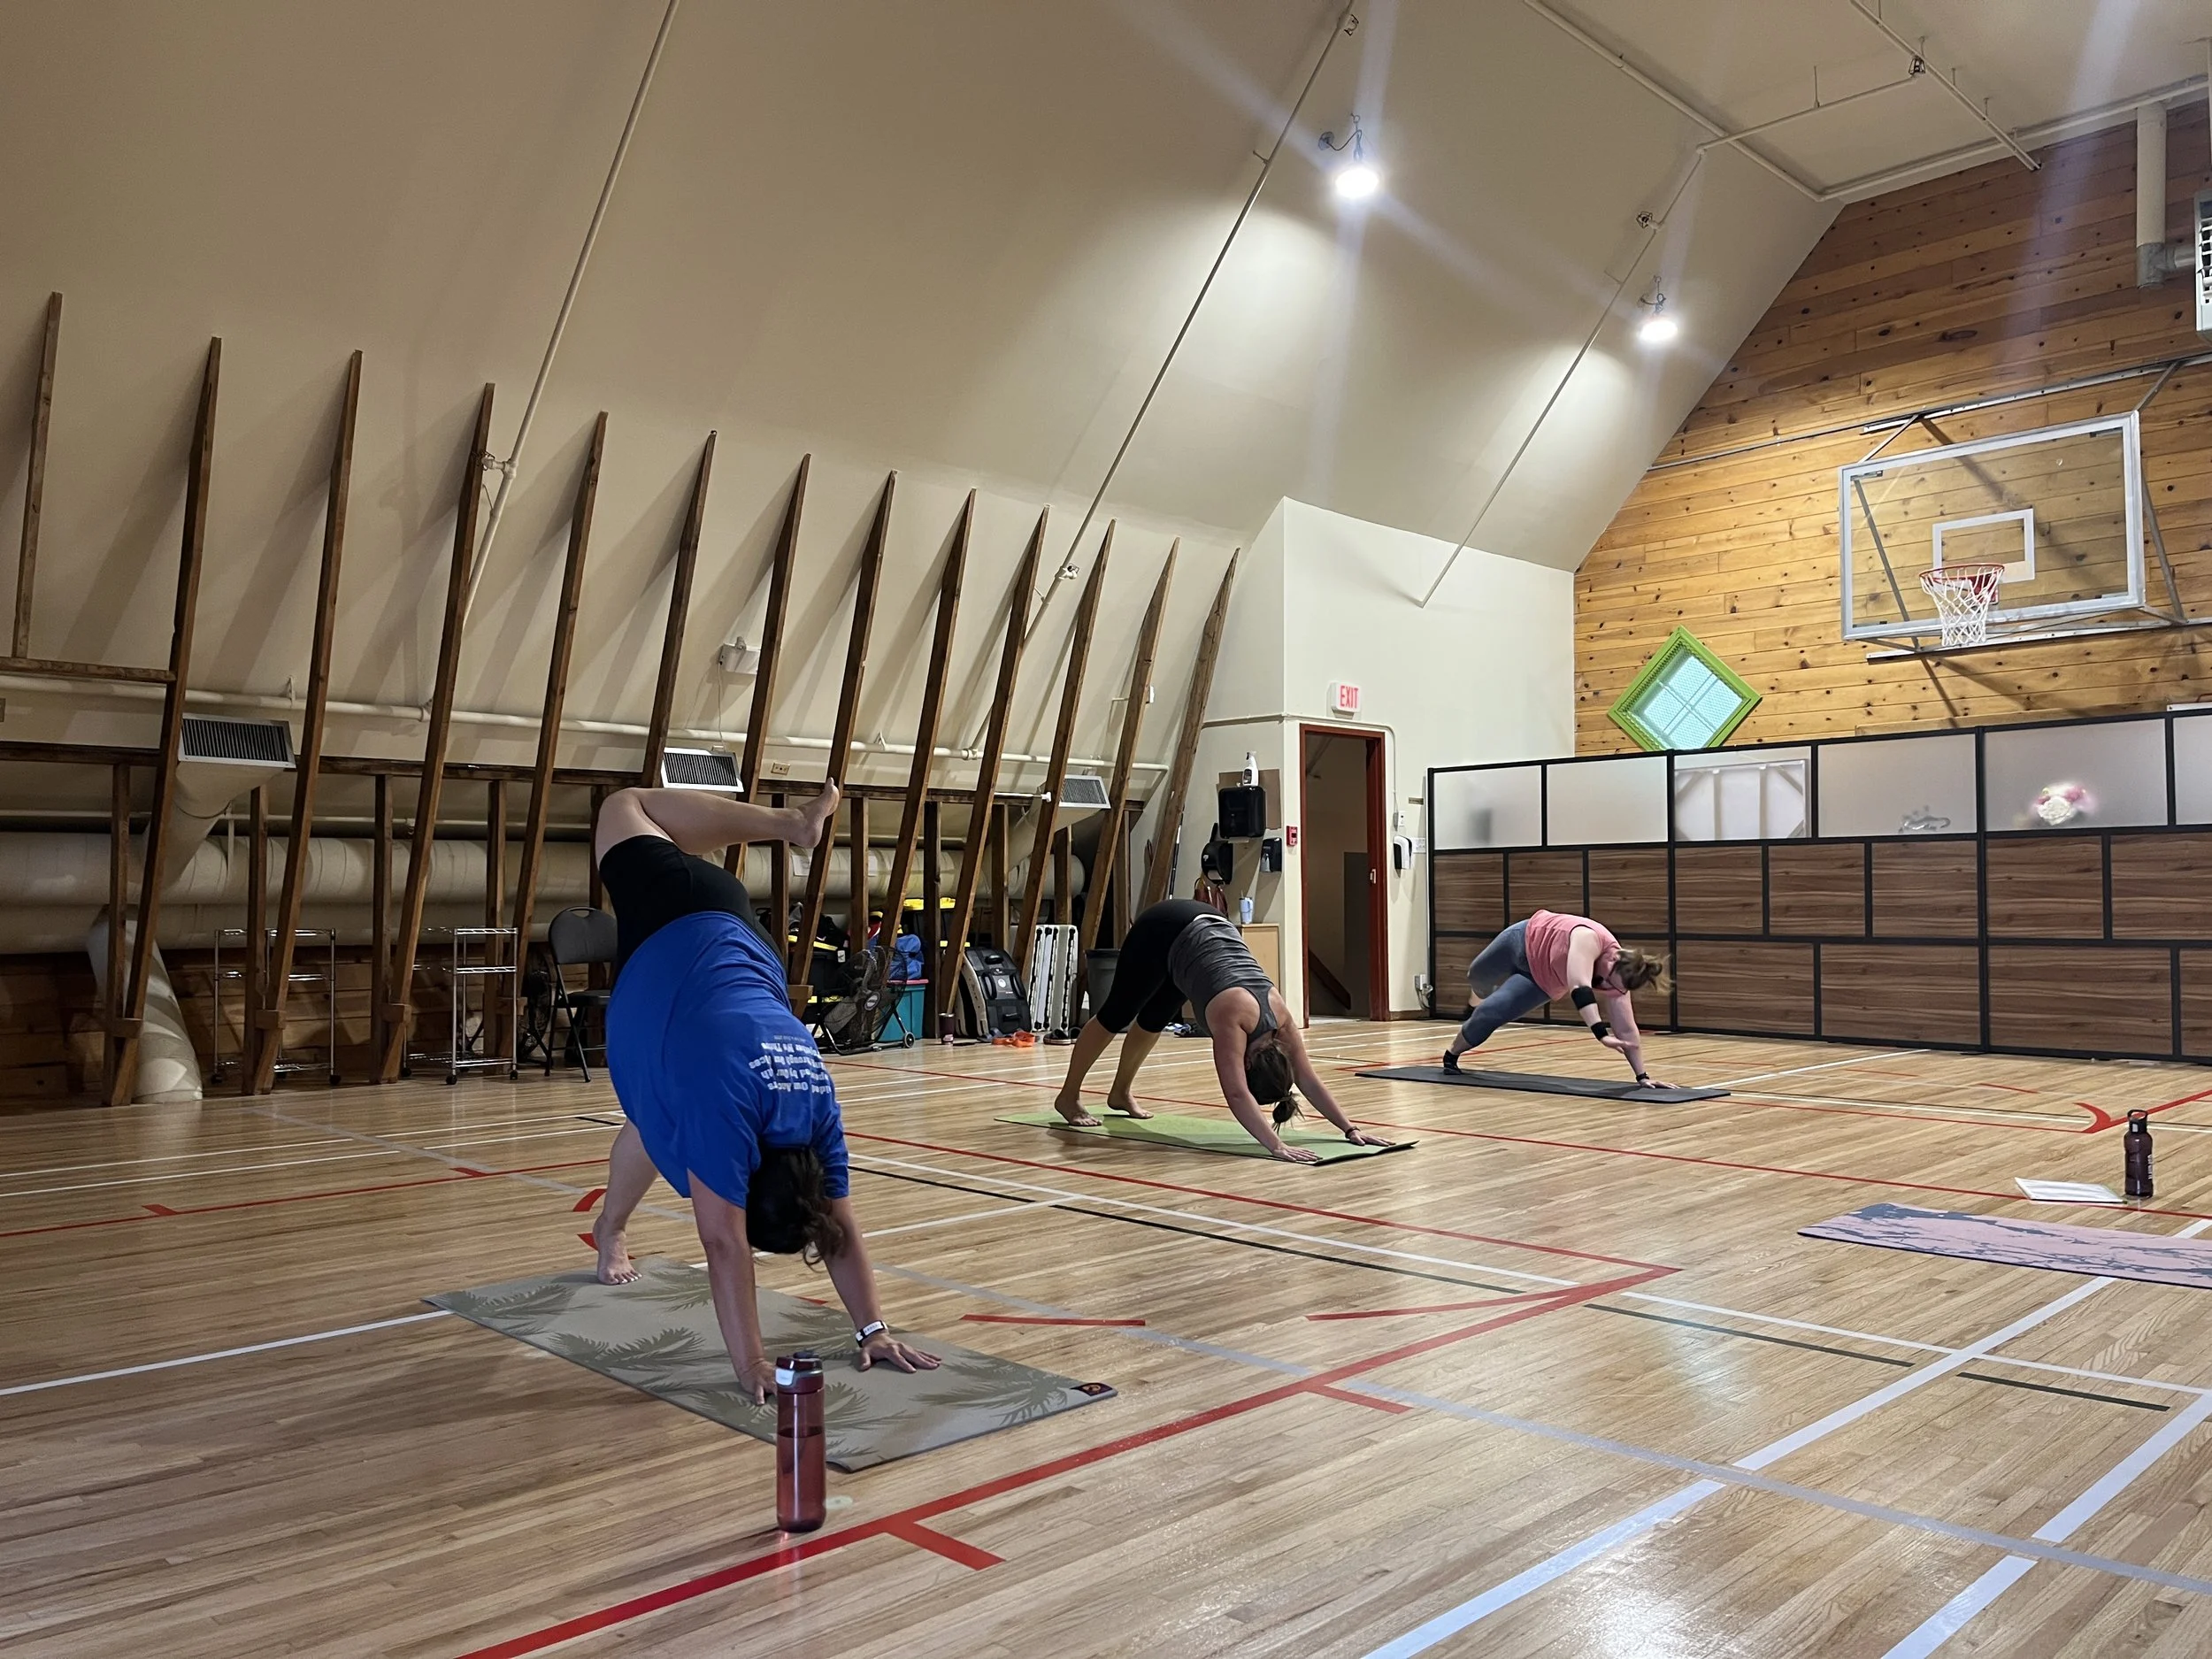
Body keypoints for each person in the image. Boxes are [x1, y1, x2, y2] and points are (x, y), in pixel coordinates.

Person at [588, 780, 939, 1403]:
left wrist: (875, 1328)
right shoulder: (723, 1117)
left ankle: (610, 1230)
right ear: (746, 1171)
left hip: (744, 948)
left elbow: (839, 1225)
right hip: (681, 920)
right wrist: (750, 1363)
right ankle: (792, 825)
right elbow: (723, 1243)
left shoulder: (815, 1114)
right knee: (624, 807)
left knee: (653, 1117)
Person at [1050, 898, 1392, 1164]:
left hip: (1198, 939)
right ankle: (1068, 1096)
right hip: (1164, 928)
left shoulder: (1282, 1024)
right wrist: (1275, 1145)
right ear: (1248, 1064)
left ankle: (1120, 1094)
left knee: (1154, 1018)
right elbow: (1237, 1094)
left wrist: (1350, 1129)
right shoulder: (1234, 1018)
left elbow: (1308, 1079)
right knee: (1117, 1014)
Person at [1444, 910, 1672, 1088]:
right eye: (1606, 981)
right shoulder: (1588, 938)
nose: (1605, 986)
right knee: (1476, 975)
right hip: (1523, 939)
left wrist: (1642, 1076)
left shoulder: (1617, 981)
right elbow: (1580, 988)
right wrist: (1601, 1034)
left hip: (1541, 980)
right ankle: (1477, 996)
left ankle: (1452, 1054)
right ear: (1613, 958)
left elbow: (1626, 1030)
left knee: (1491, 1012)